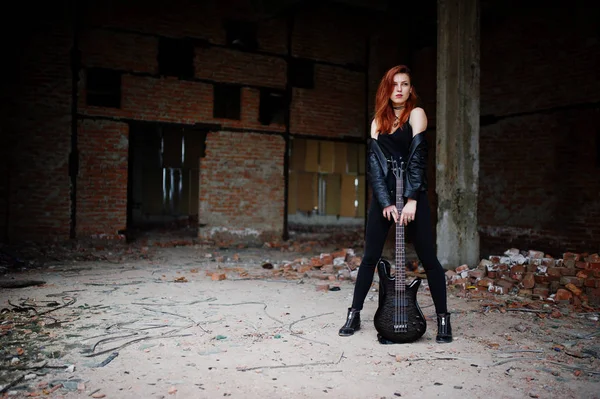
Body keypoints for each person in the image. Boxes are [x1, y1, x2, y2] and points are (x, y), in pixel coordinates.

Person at [338, 65, 452, 343]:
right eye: (394, 84)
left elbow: (418, 158)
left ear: (411, 89)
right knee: (369, 258)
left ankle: (444, 320)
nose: (399, 89)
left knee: (429, 259)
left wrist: (412, 199)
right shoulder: (378, 120)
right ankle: (354, 314)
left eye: (405, 84)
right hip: (384, 198)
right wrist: (386, 202)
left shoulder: (417, 114)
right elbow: (375, 167)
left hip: (413, 195)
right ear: (386, 89)